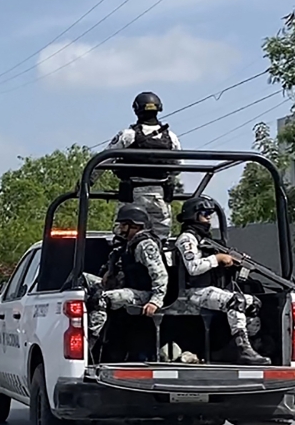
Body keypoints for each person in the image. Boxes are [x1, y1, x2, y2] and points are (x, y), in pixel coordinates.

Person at [174, 196, 270, 365]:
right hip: (193, 292)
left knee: (253, 303)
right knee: (236, 300)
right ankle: (242, 349)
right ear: (193, 215)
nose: (209, 217)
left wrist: (233, 263)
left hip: (210, 290)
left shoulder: (207, 240)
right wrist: (217, 258)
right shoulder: (187, 239)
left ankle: (243, 345)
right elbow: (193, 268)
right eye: (204, 213)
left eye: (210, 213)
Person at [93, 91, 182, 238]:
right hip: (160, 196)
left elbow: (103, 160)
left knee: (123, 235)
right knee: (161, 238)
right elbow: (178, 166)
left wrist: (84, 183)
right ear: (158, 109)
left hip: (132, 194)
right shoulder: (171, 137)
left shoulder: (127, 135)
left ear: (136, 110)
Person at [88, 204, 168, 338]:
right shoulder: (127, 245)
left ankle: (92, 340)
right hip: (130, 289)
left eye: (124, 225)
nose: (120, 229)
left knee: (102, 299)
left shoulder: (145, 245)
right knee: (84, 281)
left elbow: (160, 275)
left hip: (144, 294)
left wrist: (155, 300)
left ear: (135, 226)